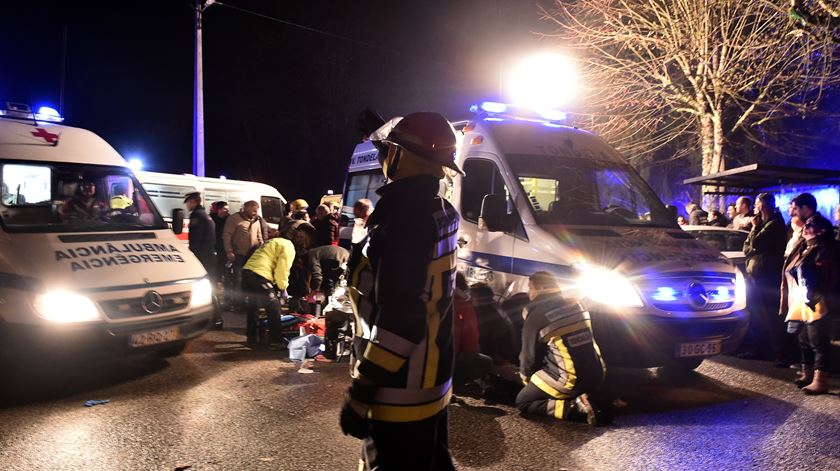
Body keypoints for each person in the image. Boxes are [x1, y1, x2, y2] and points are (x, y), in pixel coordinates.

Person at [340, 112, 462, 470]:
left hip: (398, 389)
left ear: (401, 156)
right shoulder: (440, 210)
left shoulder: (402, 220)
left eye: (387, 151)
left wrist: (361, 391)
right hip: (433, 380)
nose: (382, 158)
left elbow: (401, 322)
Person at [516, 271, 610, 425]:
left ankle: (574, 407)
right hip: (598, 373)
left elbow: (528, 358)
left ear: (541, 288)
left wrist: (526, 381)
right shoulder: (577, 305)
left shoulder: (536, 316)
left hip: (570, 380)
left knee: (523, 400)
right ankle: (588, 395)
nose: (528, 292)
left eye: (530, 288)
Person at [780, 193, 838, 395]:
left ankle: (820, 380)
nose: (793, 212)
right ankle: (808, 374)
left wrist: (812, 293)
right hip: (804, 296)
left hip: (816, 297)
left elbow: (818, 271)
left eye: (795, 207)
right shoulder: (809, 241)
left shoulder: (821, 239)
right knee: (804, 337)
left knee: (817, 338)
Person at [741, 192, 792, 366]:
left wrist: (754, 229)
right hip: (756, 276)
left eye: (756, 204)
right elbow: (746, 247)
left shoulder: (775, 224)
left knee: (770, 315)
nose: (755, 207)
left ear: (763, 205)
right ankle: (759, 349)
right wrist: (753, 239)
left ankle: (780, 353)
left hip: (768, 276)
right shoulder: (764, 224)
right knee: (757, 314)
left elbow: (755, 244)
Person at [241, 235, 296, 344]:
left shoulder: (273, 241)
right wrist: (283, 288)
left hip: (247, 272)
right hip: (260, 275)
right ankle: (276, 341)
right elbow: (282, 270)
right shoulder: (289, 247)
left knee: (254, 305)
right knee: (274, 306)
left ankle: (251, 337)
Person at [452, 273, 494, 391]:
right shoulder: (463, 306)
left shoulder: (434, 300)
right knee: (487, 363)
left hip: (428, 351)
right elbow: (470, 337)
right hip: (452, 354)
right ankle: (453, 387)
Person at [223, 201, 268, 306]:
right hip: (238, 255)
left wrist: (262, 250)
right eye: (253, 210)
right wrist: (229, 251)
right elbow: (227, 235)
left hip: (253, 256)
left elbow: (259, 237)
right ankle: (237, 302)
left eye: (256, 211)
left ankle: (247, 301)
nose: (255, 213)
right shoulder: (234, 219)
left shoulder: (257, 221)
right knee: (238, 279)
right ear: (246, 208)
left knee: (250, 280)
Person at [184, 192, 216, 274]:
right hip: (208, 252)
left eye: (188, 203)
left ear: (193, 202)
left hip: (201, 253)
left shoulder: (196, 215)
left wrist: (192, 251)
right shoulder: (204, 214)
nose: (187, 205)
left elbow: (195, 236)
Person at [210, 201, 231, 287]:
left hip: (224, 247)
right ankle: (215, 282)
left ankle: (224, 282)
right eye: (225, 209)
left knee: (224, 266)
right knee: (215, 265)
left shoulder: (229, 219)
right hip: (213, 246)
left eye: (228, 209)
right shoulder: (211, 218)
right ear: (219, 210)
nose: (227, 211)